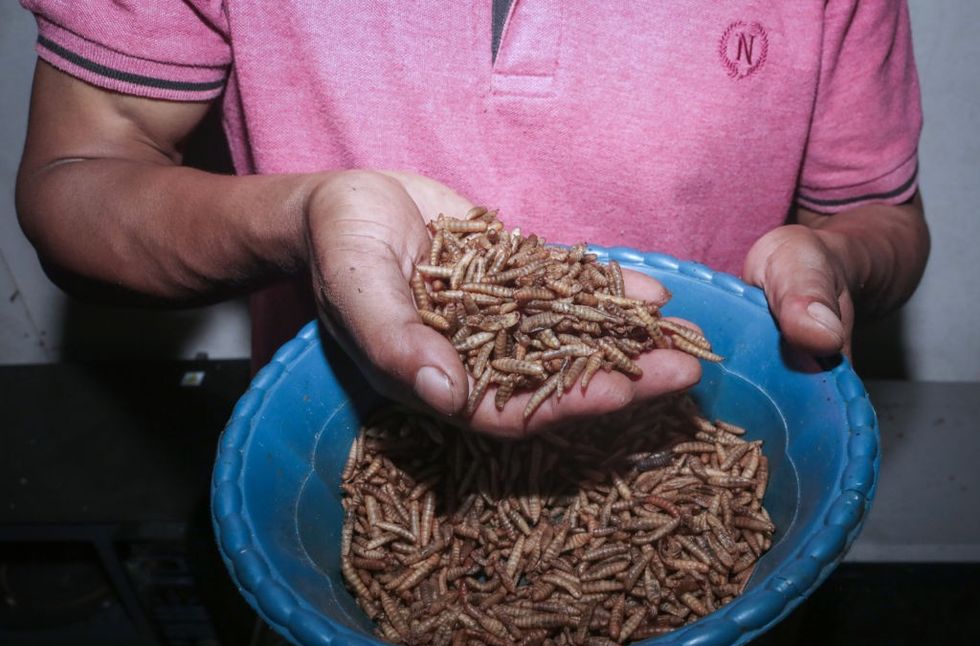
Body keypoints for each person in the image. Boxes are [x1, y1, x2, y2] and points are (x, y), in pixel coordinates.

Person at [15, 1, 929, 440]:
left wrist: (833, 260)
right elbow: (80, 172)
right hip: (352, 440)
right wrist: (301, 217)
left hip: (684, 439)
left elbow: (880, 215)